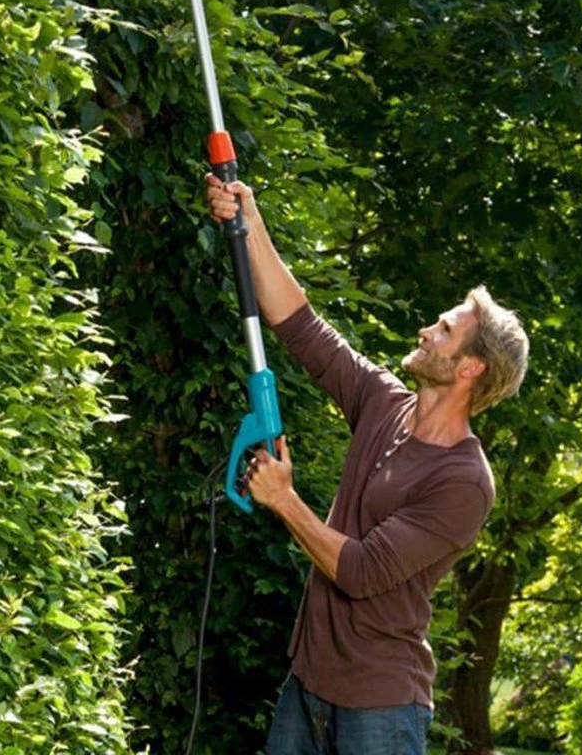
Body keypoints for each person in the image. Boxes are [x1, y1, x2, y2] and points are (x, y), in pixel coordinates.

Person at [205, 174, 529, 755]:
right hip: (307, 684)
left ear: (470, 369)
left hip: (380, 708)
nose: (427, 331)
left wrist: (283, 499)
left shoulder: (464, 482)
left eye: (446, 330)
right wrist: (247, 221)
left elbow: (360, 571)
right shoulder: (382, 401)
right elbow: (300, 326)